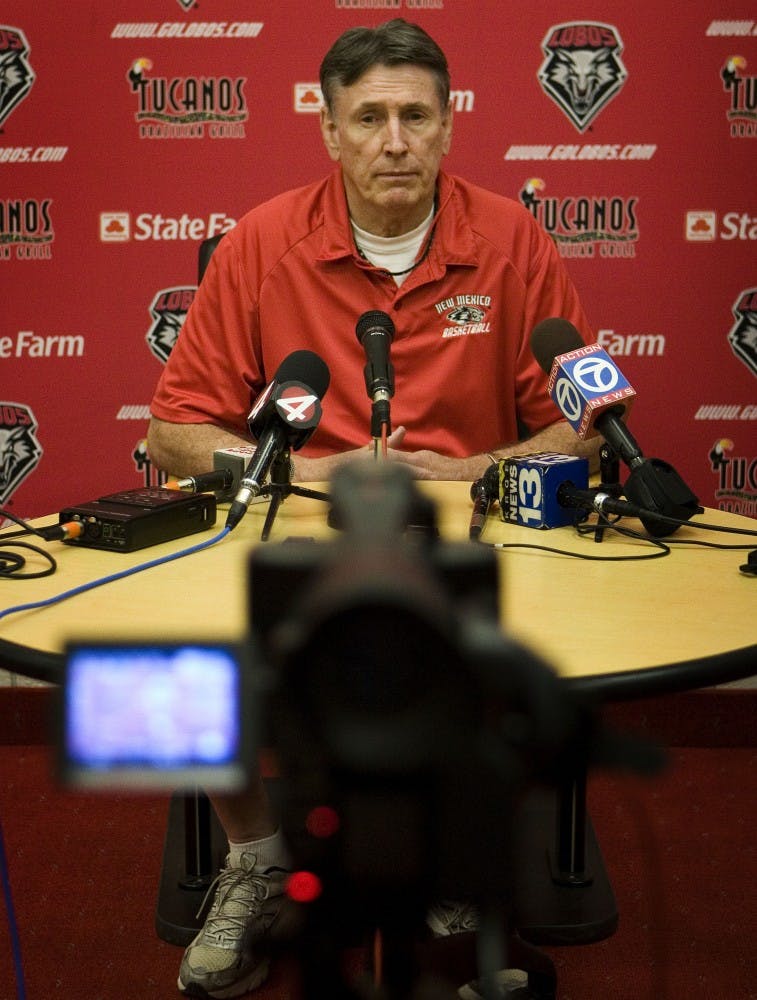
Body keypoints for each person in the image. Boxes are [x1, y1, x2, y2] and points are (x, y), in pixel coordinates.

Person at [147, 18, 599, 999]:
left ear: (447, 126)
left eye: (414, 116)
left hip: (462, 532)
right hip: (301, 528)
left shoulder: (513, 240)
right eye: (368, 118)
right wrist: (311, 473)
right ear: (329, 130)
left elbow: (582, 426)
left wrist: (472, 469)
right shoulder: (260, 243)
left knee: (509, 648)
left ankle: (458, 865)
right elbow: (172, 433)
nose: (394, 141)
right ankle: (257, 858)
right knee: (190, 647)